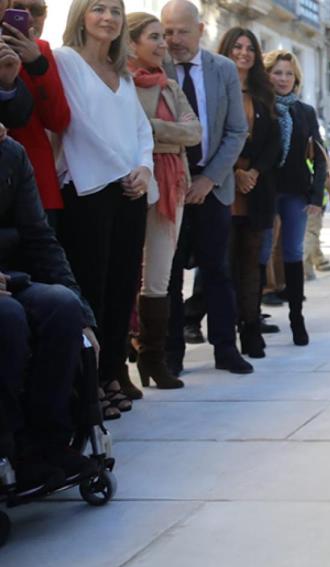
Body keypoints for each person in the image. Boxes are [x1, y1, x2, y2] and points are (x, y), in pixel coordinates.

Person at [55, 0, 154, 419]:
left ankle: (112, 372)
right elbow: (76, 123)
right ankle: (87, 382)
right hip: (88, 190)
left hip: (129, 194)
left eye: (115, 10)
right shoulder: (65, 61)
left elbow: (141, 130)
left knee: (121, 289)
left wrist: (144, 169)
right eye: (99, 9)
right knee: (90, 288)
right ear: (81, 15)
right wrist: (122, 170)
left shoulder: (124, 76)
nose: (109, 18)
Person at [0, 136, 101, 489]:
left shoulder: (10, 153)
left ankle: (46, 443)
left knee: (62, 306)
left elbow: (40, 238)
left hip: (11, 278)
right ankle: (7, 448)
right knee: (8, 318)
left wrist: (84, 316)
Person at [161, 0, 249, 375]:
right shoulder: (154, 67)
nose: (174, 39)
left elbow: (235, 130)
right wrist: (182, 180)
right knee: (169, 273)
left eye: (182, 31)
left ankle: (226, 349)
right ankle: (171, 354)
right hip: (170, 187)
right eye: (167, 32)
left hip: (213, 186)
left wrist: (209, 178)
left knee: (217, 271)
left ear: (200, 30)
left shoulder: (223, 69)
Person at [126, 11, 200, 389]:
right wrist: (163, 135)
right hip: (132, 184)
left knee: (159, 277)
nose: (162, 44)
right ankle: (117, 367)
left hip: (173, 187)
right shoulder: (121, 82)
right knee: (122, 276)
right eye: (154, 36)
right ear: (131, 42)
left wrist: (152, 129)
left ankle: (153, 360)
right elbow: (125, 133)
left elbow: (194, 131)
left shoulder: (170, 86)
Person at [218, 27, 280, 359]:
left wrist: (252, 172)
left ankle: (252, 331)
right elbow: (210, 139)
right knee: (223, 267)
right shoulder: (216, 89)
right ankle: (225, 338)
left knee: (252, 266)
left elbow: (273, 143)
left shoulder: (263, 92)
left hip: (256, 190)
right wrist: (234, 172)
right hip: (224, 188)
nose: (243, 53)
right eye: (236, 47)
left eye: (249, 48)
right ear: (225, 51)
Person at [264, 49, 325, 346]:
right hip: (262, 191)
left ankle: (297, 320)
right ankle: (249, 322)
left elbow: (321, 155)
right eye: (277, 72)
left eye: (289, 73)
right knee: (260, 255)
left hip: (295, 192)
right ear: (267, 75)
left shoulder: (305, 112)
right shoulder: (259, 106)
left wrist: (317, 194)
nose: (284, 78)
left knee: (292, 255)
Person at [4, 0, 70, 230]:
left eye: (38, 11)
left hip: (38, 184)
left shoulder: (41, 50)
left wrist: (37, 65)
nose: (30, 17)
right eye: (20, 9)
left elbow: (58, 120)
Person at [303, 141, 330, 280]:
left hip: (300, 198)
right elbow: (326, 177)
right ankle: (305, 265)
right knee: (312, 233)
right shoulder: (319, 148)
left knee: (308, 234)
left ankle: (315, 262)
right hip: (315, 202)